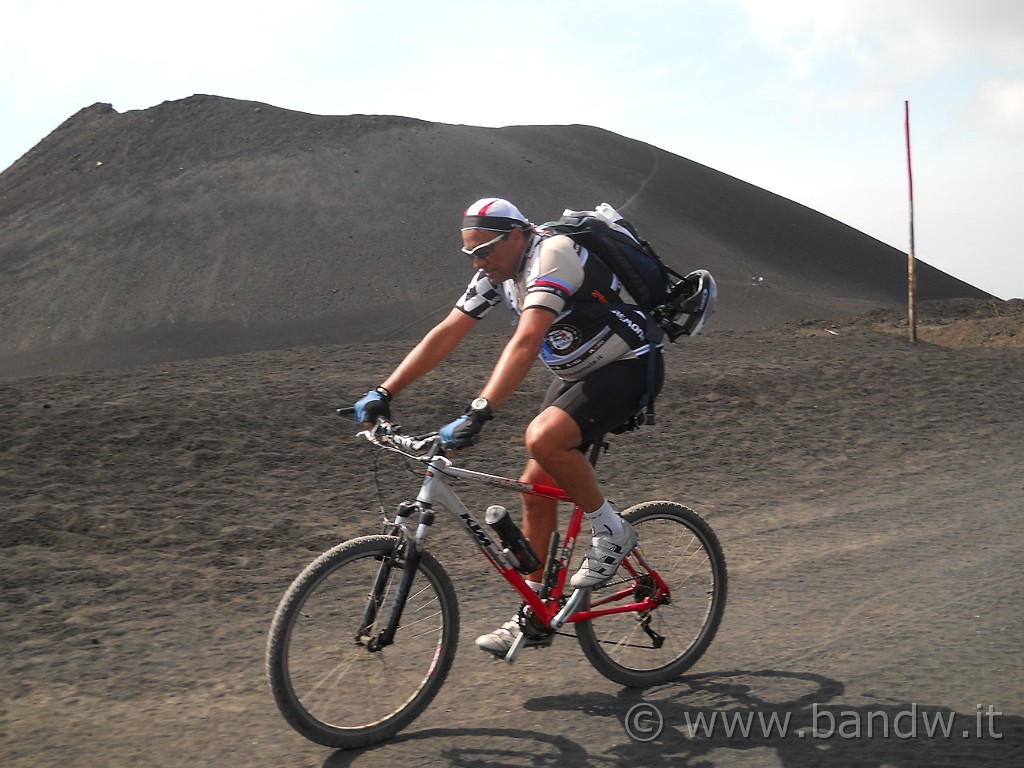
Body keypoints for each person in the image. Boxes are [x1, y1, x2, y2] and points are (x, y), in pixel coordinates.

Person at [354, 197, 664, 659]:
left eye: (486, 251)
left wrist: (479, 411)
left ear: (517, 235)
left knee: (542, 439)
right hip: (579, 372)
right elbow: (446, 332)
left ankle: (612, 531)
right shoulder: (495, 272)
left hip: (628, 365)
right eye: (471, 254)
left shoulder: (552, 254)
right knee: (533, 487)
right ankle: (536, 610)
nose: (479, 263)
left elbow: (528, 338)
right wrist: (385, 390)